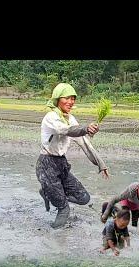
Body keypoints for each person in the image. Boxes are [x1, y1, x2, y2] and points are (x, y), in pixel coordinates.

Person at [37, 83, 109, 228]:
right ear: (57, 99)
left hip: (61, 164)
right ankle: (54, 239)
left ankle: (50, 194)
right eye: (67, 98)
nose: (71, 102)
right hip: (46, 166)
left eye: (73, 98)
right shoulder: (50, 117)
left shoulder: (70, 118)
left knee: (84, 198)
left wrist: (101, 164)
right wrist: (85, 129)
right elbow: (65, 130)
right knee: (64, 210)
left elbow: (83, 141)